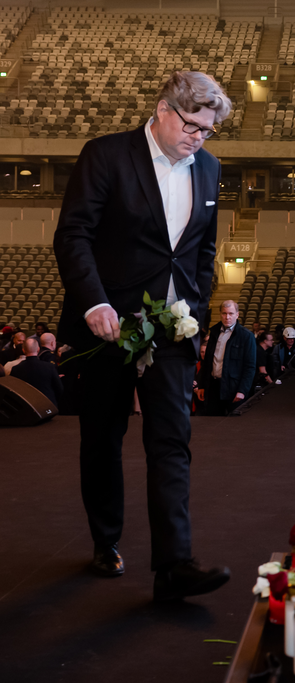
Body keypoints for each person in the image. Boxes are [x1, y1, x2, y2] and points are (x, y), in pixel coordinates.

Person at [52, 70, 232, 600]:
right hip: (106, 324)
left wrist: (196, 303)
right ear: (162, 110)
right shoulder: (106, 155)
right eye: (193, 124)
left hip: (174, 326)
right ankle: (106, 541)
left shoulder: (211, 168)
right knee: (102, 438)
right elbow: (73, 234)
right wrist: (95, 301)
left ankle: (174, 565)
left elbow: (201, 249)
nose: (199, 136)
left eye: (209, 129)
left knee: (172, 440)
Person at [197, 300, 256, 416]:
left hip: (234, 388)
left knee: (233, 427)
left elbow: (250, 366)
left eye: (231, 313)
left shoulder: (246, 336)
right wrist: (202, 385)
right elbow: (207, 362)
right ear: (220, 314)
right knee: (211, 423)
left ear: (237, 314)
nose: (227, 317)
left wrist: (242, 390)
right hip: (213, 387)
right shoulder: (214, 333)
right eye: (224, 313)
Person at [10, 338, 63, 407]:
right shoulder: (49, 367)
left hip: (26, 406)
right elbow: (60, 389)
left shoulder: (16, 369)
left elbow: (13, 391)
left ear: (23, 350)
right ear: (38, 349)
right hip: (47, 406)